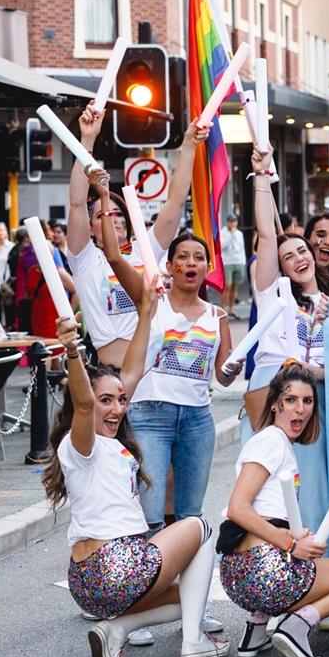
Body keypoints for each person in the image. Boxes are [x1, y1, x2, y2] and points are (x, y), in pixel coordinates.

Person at [42, 304, 228, 657]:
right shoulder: (81, 447)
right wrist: (73, 351)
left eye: (121, 400)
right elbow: (82, 402)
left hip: (89, 582)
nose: (116, 408)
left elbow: (131, 372)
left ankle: (115, 630)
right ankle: (194, 642)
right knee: (201, 528)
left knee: (189, 599)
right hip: (114, 564)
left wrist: (145, 311)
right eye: (105, 401)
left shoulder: (114, 445)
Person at [218, 362, 329, 657]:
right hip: (262, 571)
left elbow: (268, 511)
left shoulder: (279, 445)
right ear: (275, 403)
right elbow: (238, 507)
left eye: (307, 401)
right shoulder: (270, 441)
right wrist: (292, 546)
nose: (300, 410)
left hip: (239, 576)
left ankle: (256, 629)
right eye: (291, 400)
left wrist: (295, 535)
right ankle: (296, 626)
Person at [101, 176, 238, 531]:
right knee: (149, 517)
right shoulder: (150, 301)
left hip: (197, 420)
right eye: (183, 257)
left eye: (199, 258)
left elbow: (222, 375)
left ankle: (183, 585)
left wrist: (233, 367)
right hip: (149, 415)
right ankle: (152, 583)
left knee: (190, 516)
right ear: (170, 266)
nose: (191, 263)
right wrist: (104, 198)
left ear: (208, 268)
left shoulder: (216, 315)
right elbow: (114, 256)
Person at [243, 149, 329, 590]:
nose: (298, 257)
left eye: (303, 250)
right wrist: (263, 176)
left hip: (310, 401)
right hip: (269, 396)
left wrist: (314, 376)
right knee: (267, 489)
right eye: (288, 254)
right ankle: (266, 576)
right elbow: (264, 232)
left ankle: (316, 576)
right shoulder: (273, 292)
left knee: (312, 485)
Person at [67, 108, 202, 367]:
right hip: (108, 374)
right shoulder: (85, 259)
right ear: (91, 227)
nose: (113, 219)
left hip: (153, 373)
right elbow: (75, 204)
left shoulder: (145, 250)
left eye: (119, 214)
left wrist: (188, 146)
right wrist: (87, 139)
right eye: (102, 216)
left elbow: (174, 204)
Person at [220, 214, 246, 316]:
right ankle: (223, 308)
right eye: (231, 221)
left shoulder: (239, 234)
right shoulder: (223, 232)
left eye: (234, 221)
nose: (233, 223)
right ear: (227, 222)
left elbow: (241, 248)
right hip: (227, 262)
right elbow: (223, 246)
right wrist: (231, 234)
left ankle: (231, 309)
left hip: (238, 261)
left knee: (235, 286)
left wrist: (243, 261)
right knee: (227, 286)